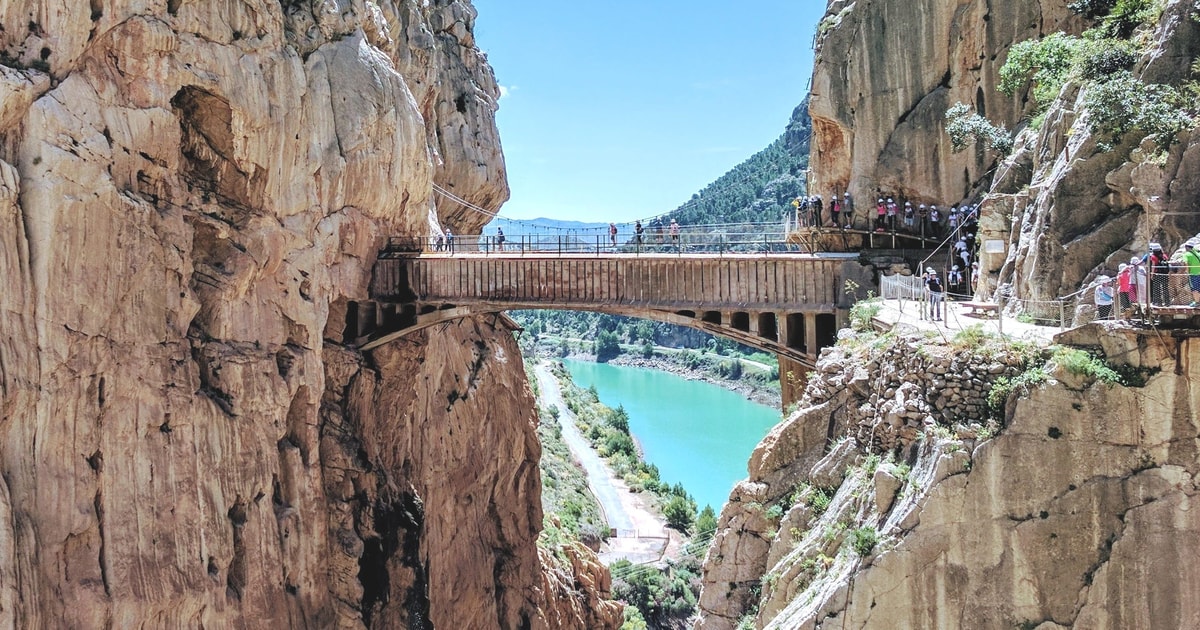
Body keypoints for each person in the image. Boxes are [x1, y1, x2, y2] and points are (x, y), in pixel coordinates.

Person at [1183, 240, 1200, 307]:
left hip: (1193, 274)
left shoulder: (1186, 254)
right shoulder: (1198, 253)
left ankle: (1197, 302)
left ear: (1186, 247)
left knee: (1194, 289)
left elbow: (1186, 263)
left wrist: (1187, 272)